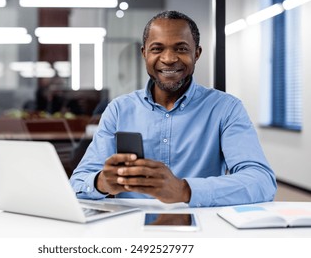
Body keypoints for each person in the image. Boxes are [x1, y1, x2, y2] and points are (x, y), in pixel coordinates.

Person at [70, 10, 277, 207]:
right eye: (157, 48)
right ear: (144, 53)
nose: (168, 59)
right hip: (129, 228)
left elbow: (262, 182)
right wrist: (101, 182)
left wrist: (185, 190)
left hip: (202, 224)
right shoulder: (118, 109)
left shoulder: (226, 109)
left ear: (197, 53)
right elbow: (78, 182)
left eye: (181, 48)